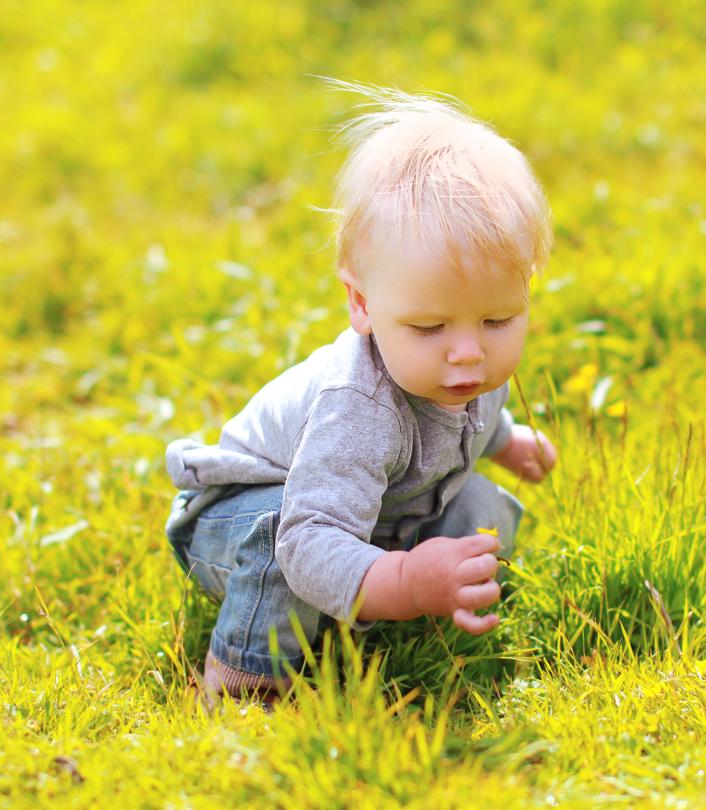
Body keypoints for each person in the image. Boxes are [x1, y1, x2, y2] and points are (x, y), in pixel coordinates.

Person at [164, 81, 557, 706]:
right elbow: (307, 536)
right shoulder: (359, 408)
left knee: (483, 510)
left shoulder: (463, 369)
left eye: (498, 320)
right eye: (429, 327)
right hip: (248, 525)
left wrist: (507, 443)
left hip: (368, 512)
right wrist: (401, 578)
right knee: (279, 544)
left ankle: (411, 604)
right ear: (362, 304)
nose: (468, 352)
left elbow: (469, 422)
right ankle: (245, 685)